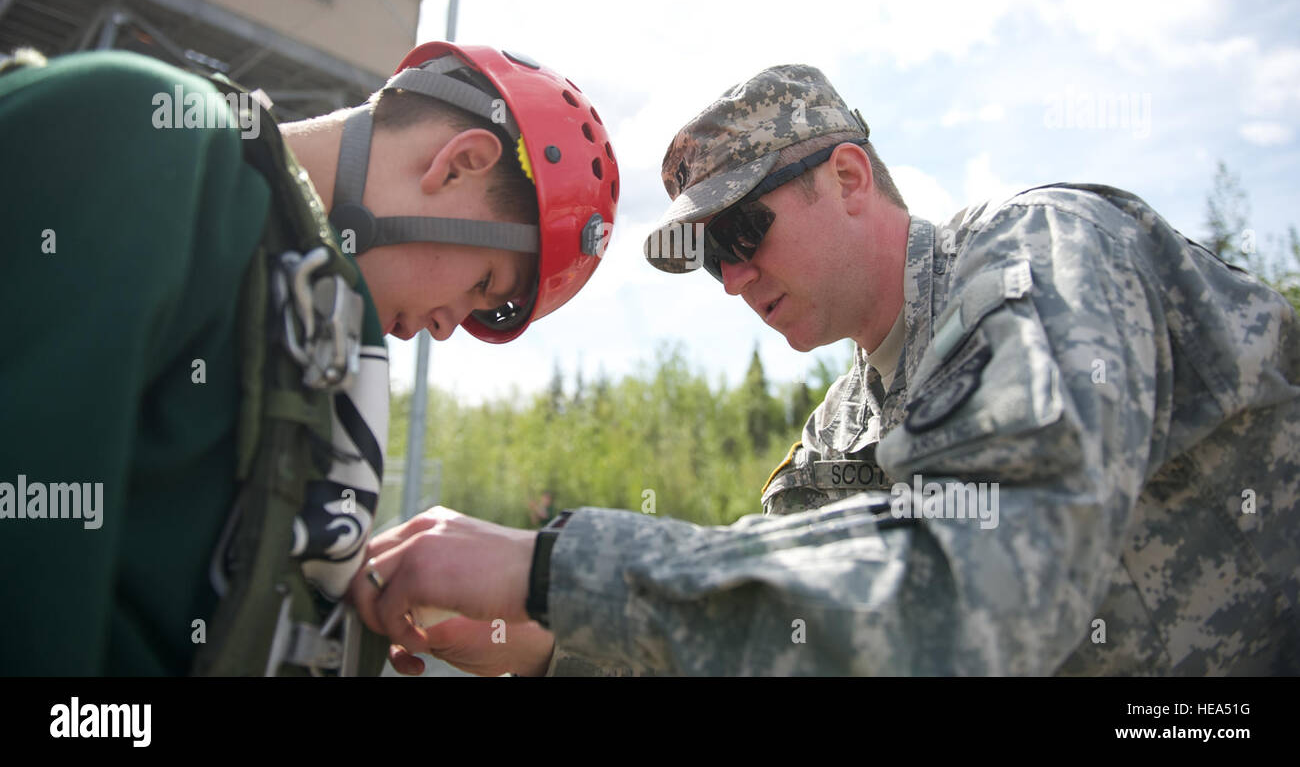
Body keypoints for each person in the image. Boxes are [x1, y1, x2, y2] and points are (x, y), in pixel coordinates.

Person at [350, 63, 1299, 677]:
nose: (732, 278)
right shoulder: (844, 432)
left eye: (743, 231)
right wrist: (554, 638)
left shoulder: (1041, 254)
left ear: (849, 179)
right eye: (711, 257)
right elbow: (782, 623)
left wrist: (551, 568)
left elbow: (995, 594)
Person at [0, 41, 618, 675]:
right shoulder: (145, 136)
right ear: (459, 164)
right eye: (483, 285)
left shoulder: (319, 329)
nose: (446, 326)